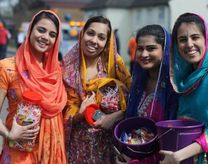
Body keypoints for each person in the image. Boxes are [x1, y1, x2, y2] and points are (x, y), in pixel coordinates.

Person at [160, 13, 208, 163]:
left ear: (206, 40)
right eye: (182, 40)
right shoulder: (186, 77)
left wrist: (178, 156)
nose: (189, 44)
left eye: (195, 37)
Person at [0, 10, 67, 163]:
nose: (45, 37)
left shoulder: (57, 71)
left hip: (50, 154)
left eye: (52, 34)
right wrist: (9, 134)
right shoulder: (8, 67)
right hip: (18, 154)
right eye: (41, 30)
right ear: (30, 30)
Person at [62, 16, 131, 163]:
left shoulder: (114, 65)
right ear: (82, 34)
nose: (94, 40)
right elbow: (58, 112)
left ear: (107, 42)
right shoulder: (66, 67)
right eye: (90, 33)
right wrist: (80, 114)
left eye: (101, 37)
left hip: (109, 148)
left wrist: (116, 115)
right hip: (77, 148)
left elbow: (135, 100)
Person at [117, 24, 178, 163]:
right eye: (140, 49)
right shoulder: (137, 83)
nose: (144, 54)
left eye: (151, 48)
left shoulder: (174, 87)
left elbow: (174, 134)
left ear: (165, 50)